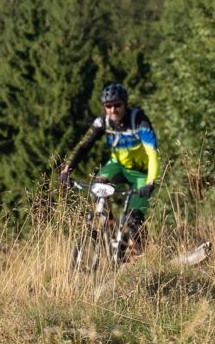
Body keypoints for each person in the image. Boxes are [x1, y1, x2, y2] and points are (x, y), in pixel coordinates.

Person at [58, 83, 160, 248]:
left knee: (135, 220)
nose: (113, 110)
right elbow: (83, 146)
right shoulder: (102, 122)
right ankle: (109, 225)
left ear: (125, 104)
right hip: (117, 166)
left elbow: (152, 153)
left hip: (142, 173)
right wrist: (67, 169)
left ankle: (142, 254)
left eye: (117, 105)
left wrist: (150, 182)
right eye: (108, 106)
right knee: (99, 184)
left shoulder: (139, 120)